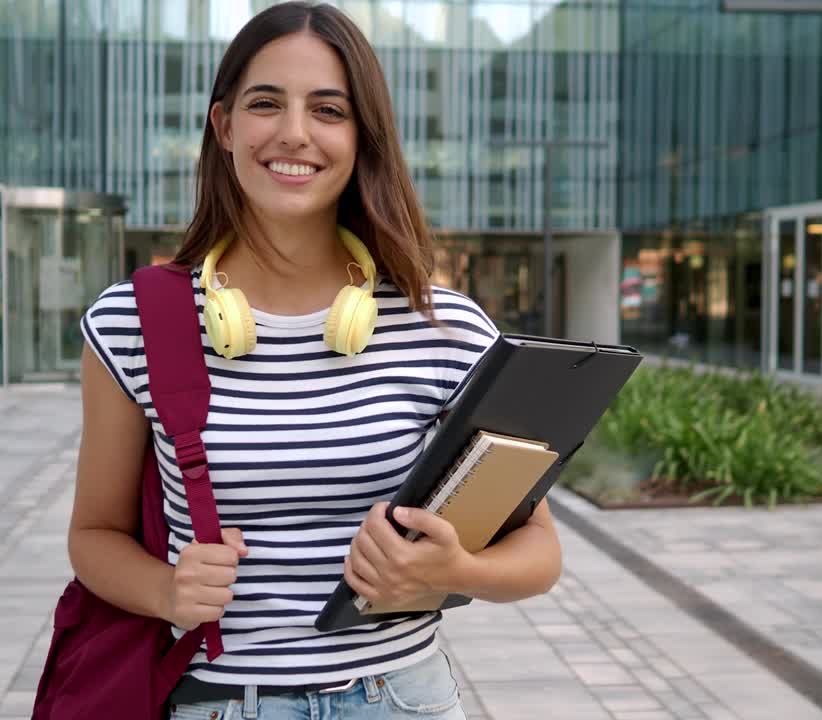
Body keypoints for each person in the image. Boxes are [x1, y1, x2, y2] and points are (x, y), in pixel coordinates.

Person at [72, 3, 562, 718]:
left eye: (328, 109)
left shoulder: (446, 328)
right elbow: (93, 537)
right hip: (223, 702)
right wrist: (165, 592)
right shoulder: (132, 324)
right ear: (225, 127)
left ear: (362, 138)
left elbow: (540, 550)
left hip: (403, 700)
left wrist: (456, 571)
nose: (294, 133)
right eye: (265, 103)